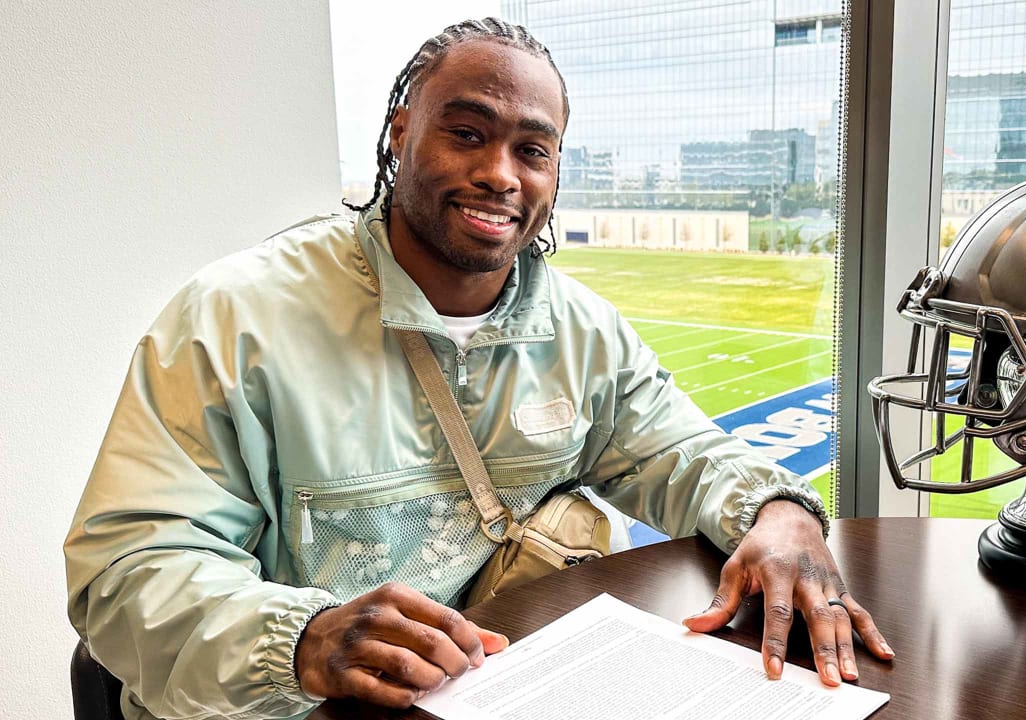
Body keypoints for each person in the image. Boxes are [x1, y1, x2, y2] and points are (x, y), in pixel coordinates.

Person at [64, 17, 891, 720]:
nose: (499, 173)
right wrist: (304, 640)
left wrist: (780, 513)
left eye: (532, 149)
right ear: (400, 132)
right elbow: (128, 572)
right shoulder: (235, 319)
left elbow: (680, 453)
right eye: (466, 133)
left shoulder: (580, 328)